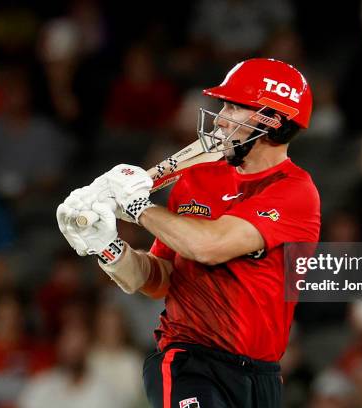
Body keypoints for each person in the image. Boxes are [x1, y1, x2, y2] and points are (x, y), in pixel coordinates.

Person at [57, 58, 320, 407]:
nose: (220, 117)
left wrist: (137, 207)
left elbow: (209, 246)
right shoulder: (199, 178)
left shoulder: (294, 191)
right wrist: (109, 250)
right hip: (188, 359)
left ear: (270, 121)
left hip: (261, 374)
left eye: (232, 106)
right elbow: (158, 280)